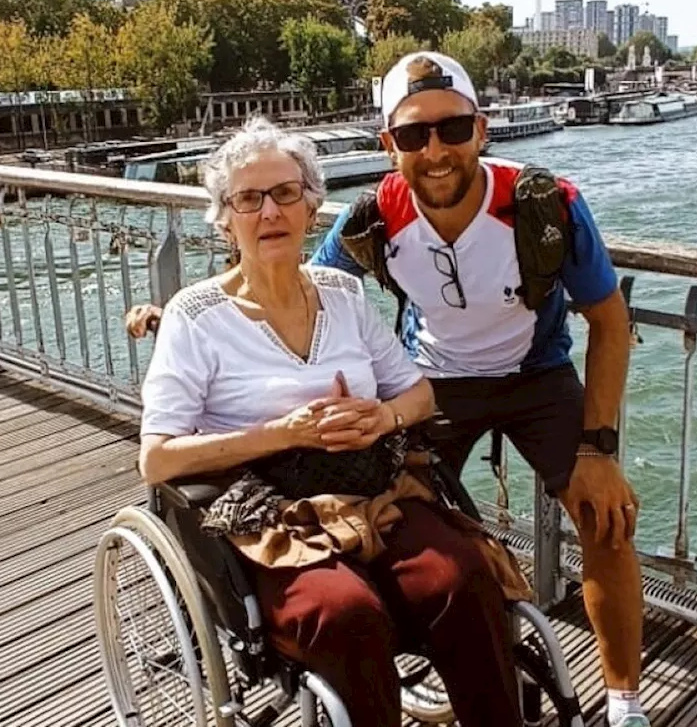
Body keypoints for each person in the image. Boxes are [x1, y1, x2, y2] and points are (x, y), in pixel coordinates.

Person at [129, 52, 651, 727]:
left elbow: (610, 322)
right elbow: (260, 281)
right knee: (392, 591)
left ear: (481, 129)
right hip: (437, 384)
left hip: (532, 378)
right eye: (412, 135)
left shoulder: (546, 204)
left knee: (588, 525)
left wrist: (599, 450)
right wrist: (174, 310)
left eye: (452, 128)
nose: (434, 149)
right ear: (389, 145)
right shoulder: (374, 217)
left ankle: (623, 701)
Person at [137, 117, 526, 727]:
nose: (270, 212)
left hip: (370, 482)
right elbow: (157, 458)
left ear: (312, 204)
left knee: (464, 579)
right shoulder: (196, 316)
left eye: (286, 193)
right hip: (267, 509)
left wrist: (380, 417)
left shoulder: (342, 292)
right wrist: (283, 433)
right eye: (249, 198)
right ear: (226, 216)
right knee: (347, 615)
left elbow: (419, 396)